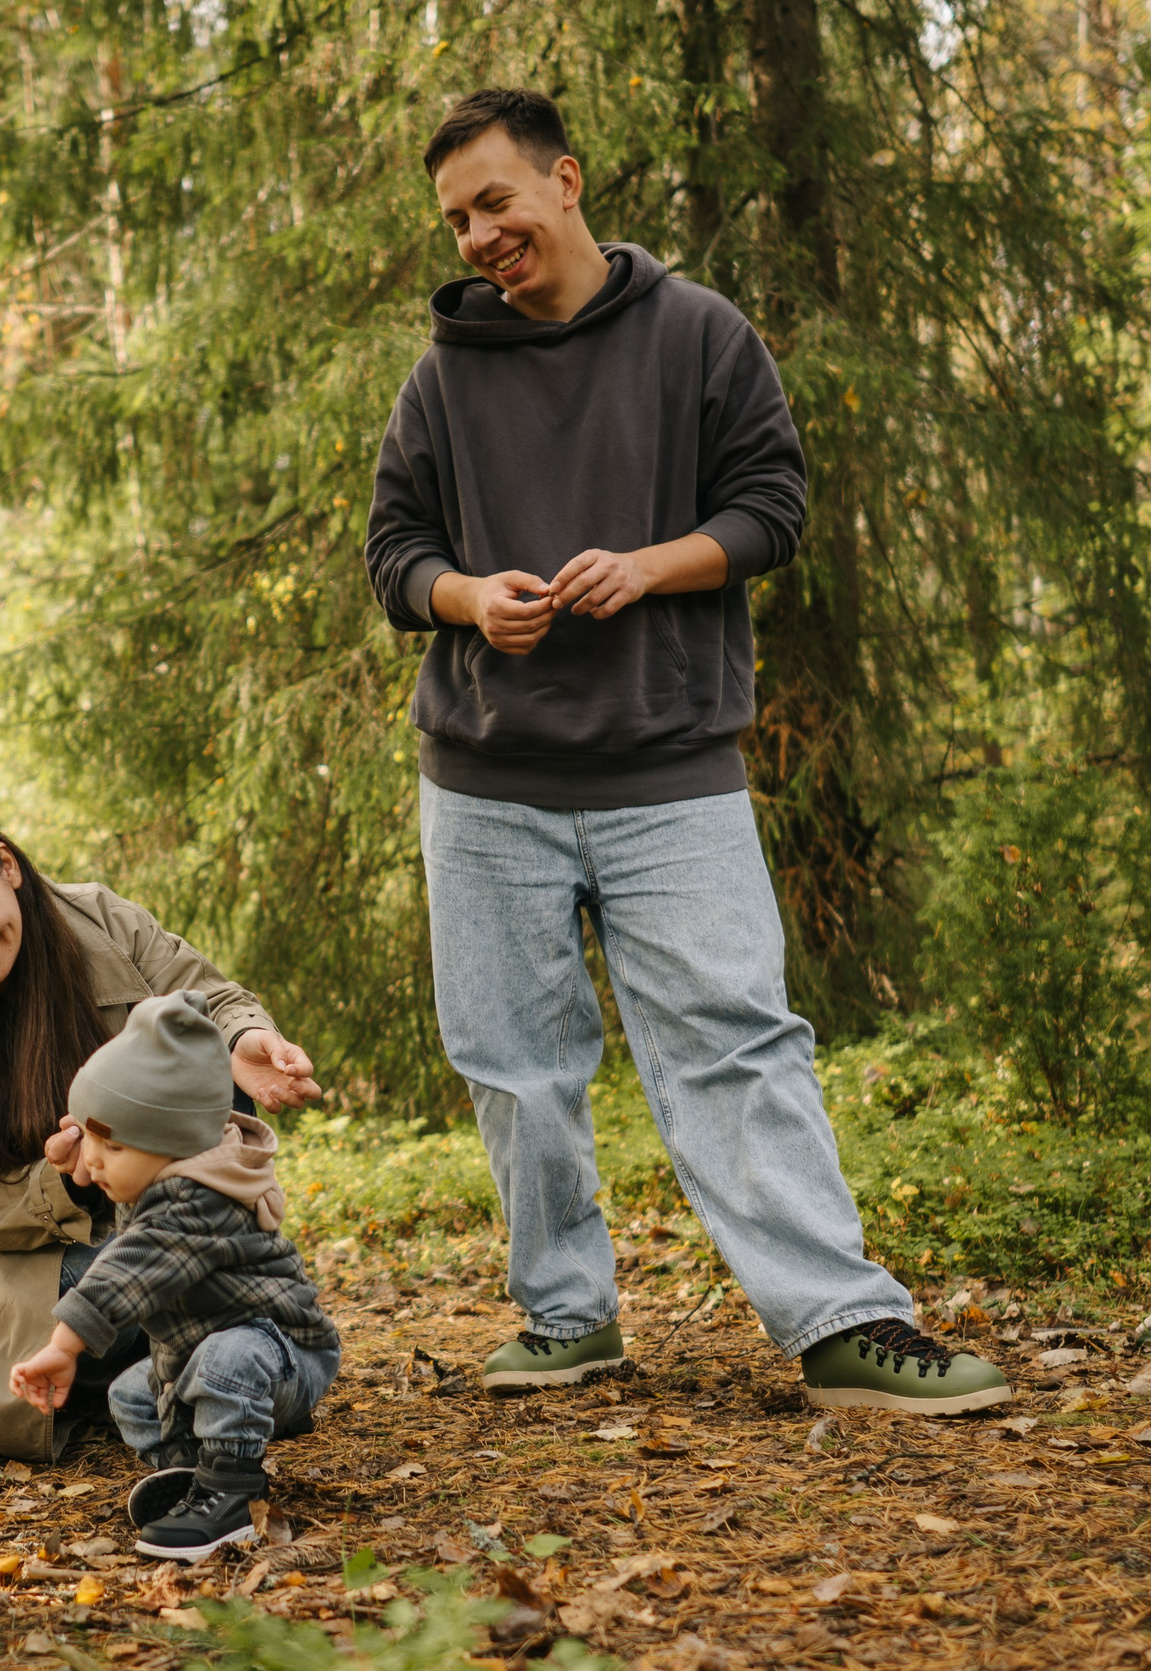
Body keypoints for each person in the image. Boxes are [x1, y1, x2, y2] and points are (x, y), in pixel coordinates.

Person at [361, 87, 1008, 1415]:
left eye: (498, 202)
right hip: (486, 778)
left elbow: (774, 507)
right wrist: (469, 597)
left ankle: (839, 1320)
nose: (480, 235)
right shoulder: (442, 377)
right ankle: (565, 1318)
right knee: (516, 1064)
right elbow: (393, 554)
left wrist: (650, 567)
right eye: (457, 218)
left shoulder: (700, 335)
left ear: (567, 181)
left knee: (736, 1042)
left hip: (671, 771)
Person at [0, 800, 323, 1459]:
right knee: (127, 1276)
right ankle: (185, 1359)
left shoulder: (96, 917)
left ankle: (190, 1360)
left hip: (126, 1215)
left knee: (207, 1075)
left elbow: (202, 995)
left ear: (6, 865)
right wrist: (65, 1181)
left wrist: (246, 1036)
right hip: (2, 1259)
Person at [9, 992, 338, 1561]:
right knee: (133, 1395)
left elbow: (130, 1266)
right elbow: (128, 1178)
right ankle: (195, 1474)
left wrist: (65, 1344)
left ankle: (231, 1496)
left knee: (225, 1361)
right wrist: (91, 1149)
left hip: (282, 1355)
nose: (95, 1160)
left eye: (111, 1145)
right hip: (203, 1357)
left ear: (170, 1144)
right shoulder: (163, 1168)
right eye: (92, 1140)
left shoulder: (202, 1199)